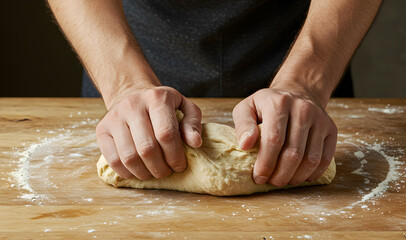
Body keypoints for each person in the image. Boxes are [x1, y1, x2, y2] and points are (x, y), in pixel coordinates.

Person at [48, 0, 382, 187]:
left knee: (304, 149)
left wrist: (306, 82)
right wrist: (125, 84)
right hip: (127, 50)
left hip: (305, 46)